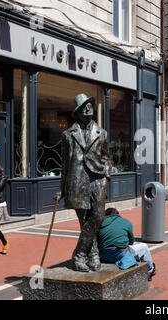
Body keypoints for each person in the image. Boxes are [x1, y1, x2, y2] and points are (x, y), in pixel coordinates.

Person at [61, 93, 110, 272]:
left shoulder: (102, 133)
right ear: (78, 112)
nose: (89, 108)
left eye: (90, 105)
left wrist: (106, 175)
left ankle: (79, 253)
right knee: (85, 221)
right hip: (77, 180)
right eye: (84, 106)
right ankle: (93, 255)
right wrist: (62, 189)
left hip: (97, 179)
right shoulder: (67, 135)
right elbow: (65, 164)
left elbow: (106, 157)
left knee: (98, 216)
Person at [97, 208, 156, 281]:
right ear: (118, 215)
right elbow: (131, 241)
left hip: (103, 255)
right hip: (118, 255)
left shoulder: (99, 224)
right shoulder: (126, 222)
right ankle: (150, 271)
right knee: (144, 247)